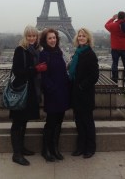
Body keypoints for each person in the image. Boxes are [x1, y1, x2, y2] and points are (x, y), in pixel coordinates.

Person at [9, 25, 46, 166]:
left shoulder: (36, 51)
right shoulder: (20, 50)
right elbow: (18, 71)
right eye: (29, 36)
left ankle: (21, 148)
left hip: (30, 92)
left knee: (23, 121)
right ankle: (16, 154)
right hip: (21, 91)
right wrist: (35, 69)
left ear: (37, 37)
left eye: (34, 36)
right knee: (17, 122)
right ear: (25, 36)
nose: (31, 38)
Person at [39, 28, 70, 162]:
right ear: (45, 41)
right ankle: (46, 149)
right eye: (49, 38)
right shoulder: (43, 55)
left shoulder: (59, 52)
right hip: (52, 94)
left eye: (54, 38)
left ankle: (55, 148)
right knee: (51, 123)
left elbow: (64, 73)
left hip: (62, 92)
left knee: (59, 122)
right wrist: (51, 89)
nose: (52, 40)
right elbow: (43, 77)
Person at [69, 28, 99, 159]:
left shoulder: (90, 54)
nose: (81, 38)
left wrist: (81, 86)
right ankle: (81, 147)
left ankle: (90, 148)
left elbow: (94, 76)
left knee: (87, 121)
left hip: (84, 94)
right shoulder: (77, 53)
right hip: (76, 94)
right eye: (79, 36)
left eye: (83, 36)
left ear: (88, 39)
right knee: (79, 122)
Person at [104, 11, 125, 86]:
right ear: (124, 17)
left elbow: (106, 25)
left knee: (115, 64)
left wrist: (113, 18)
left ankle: (115, 79)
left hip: (115, 48)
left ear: (118, 16)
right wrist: (124, 19)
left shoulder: (113, 25)